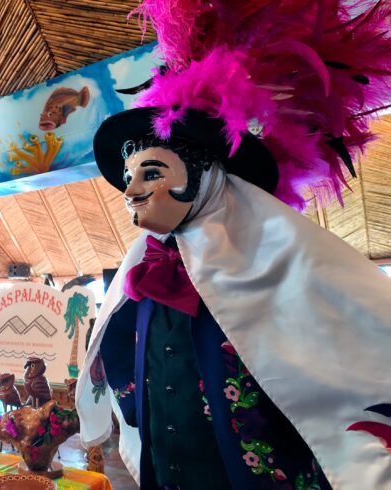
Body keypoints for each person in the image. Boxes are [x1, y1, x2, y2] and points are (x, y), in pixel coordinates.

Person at [76, 1, 391, 489]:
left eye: (151, 172)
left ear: (207, 178)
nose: (130, 190)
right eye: (128, 175)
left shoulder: (285, 268)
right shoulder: (146, 271)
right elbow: (120, 353)